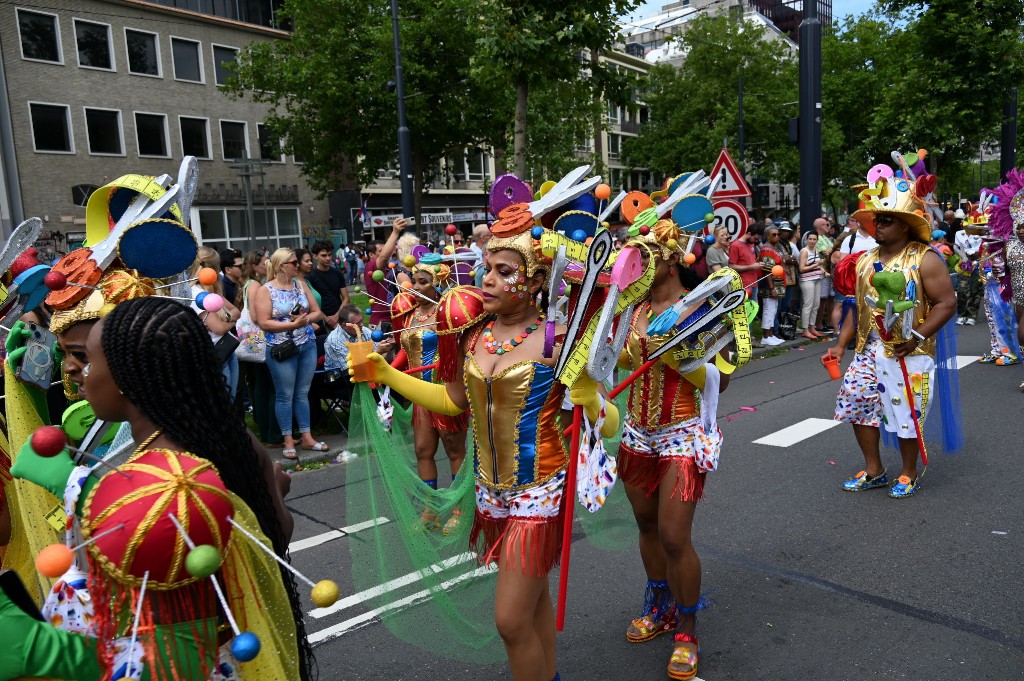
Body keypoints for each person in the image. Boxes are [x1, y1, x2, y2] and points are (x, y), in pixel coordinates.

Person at [347, 218, 618, 681]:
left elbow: (607, 424)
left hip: (539, 490)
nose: (487, 278)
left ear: (536, 281)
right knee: (533, 608)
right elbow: (452, 400)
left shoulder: (561, 342)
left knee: (510, 622)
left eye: (504, 270)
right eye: (486, 267)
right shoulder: (473, 335)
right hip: (489, 492)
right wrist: (387, 375)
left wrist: (591, 399)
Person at [616, 218, 734, 681]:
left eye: (642, 258)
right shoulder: (629, 309)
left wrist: (681, 357)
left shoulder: (700, 308)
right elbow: (614, 360)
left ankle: (687, 629)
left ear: (669, 262)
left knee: (672, 534)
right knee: (646, 525)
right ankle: (661, 606)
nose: (633, 266)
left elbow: (723, 377)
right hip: (637, 431)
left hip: (682, 430)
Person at [830, 177, 956, 499]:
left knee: (905, 412)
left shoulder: (924, 258)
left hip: (910, 350)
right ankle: (874, 470)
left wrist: (915, 337)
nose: (878, 225)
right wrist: (841, 344)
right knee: (857, 402)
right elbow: (857, 310)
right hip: (868, 349)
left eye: (887, 220)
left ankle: (908, 472)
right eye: (877, 219)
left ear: (905, 226)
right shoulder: (864, 262)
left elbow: (946, 303)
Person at [388, 260, 470, 533]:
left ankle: (460, 510)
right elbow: (404, 352)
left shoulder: (447, 314)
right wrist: (385, 372)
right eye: (414, 280)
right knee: (423, 451)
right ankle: (430, 511)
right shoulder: (410, 317)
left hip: (445, 393)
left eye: (423, 281)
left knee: (454, 450)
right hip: (420, 397)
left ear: (437, 284)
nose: (415, 287)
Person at [254, 247, 328, 460]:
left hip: (306, 344)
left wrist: (305, 320)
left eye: (298, 262)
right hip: (281, 348)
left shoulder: (301, 285)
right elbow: (264, 322)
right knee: (285, 394)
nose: (298, 265)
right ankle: (287, 439)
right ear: (281, 266)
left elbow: (316, 312)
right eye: (294, 263)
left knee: (302, 392)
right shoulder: (265, 290)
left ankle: (306, 436)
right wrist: (291, 325)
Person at [236, 249, 280, 446]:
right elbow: (255, 317)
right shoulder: (254, 286)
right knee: (266, 387)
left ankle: (267, 432)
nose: (267, 264)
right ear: (255, 266)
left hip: (255, 345)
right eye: (264, 262)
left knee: (262, 386)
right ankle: (270, 433)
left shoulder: (249, 285)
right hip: (260, 343)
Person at [192, 246, 242, 400]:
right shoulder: (196, 294)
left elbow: (236, 311)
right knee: (223, 401)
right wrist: (229, 319)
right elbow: (219, 328)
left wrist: (226, 318)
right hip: (214, 354)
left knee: (231, 399)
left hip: (227, 349)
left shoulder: (211, 291)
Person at [365, 219, 408, 327]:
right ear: (371, 255)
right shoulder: (371, 266)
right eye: (381, 250)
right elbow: (384, 257)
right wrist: (395, 232)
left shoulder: (389, 268)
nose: (387, 253)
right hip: (381, 323)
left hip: (394, 319)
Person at [307, 239, 350, 332]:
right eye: (323, 255)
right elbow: (310, 302)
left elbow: (346, 298)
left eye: (329, 255)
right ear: (315, 256)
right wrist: (326, 319)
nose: (328, 258)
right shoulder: (310, 276)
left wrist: (337, 316)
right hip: (320, 320)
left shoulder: (337, 273)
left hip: (339, 317)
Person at [757, 226, 785, 346]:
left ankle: (771, 334)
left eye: (778, 234)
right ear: (767, 236)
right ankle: (766, 335)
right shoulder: (767, 249)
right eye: (774, 234)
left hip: (777, 282)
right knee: (769, 309)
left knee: (773, 310)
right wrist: (772, 288)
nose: (777, 236)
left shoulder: (775, 247)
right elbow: (767, 270)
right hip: (770, 284)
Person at [798, 233, 825, 339]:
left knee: (816, 304)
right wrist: (816, 265)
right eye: (810, 239)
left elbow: (820, 266)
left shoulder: (816, 250)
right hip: (807, 279)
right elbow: (801, 268)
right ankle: (805, 329)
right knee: (808, 304)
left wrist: (824, 272)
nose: (812, 241)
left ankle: (812, 327)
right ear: (807, 239)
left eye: (814, 239)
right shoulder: (804, 251)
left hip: (817, 278)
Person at [813, 218, 836, 334]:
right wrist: (835, 249)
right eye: (826, 224)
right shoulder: (816, 238)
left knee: (831, 297)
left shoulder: (826, 238)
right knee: (822, 298)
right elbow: (826, 253)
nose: (829, 226)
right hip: (823, 271)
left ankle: (830, 322)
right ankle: (819, 323)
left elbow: (833, 251)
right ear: (820, 226)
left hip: (831, 271)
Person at [727, 228, 761, 294]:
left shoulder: (751, 244)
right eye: (755, 238)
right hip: (744, 284)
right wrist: (751, 267)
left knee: (754, 304)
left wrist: (758, 264)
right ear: (749, 234)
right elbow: (731, 266)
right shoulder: (735, 246)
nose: (756, 241)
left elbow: (750, 261)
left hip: (754, 282)